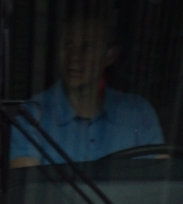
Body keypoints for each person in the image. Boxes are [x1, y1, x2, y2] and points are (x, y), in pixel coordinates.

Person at [11, 11, 165, 167]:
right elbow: (26, 186)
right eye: (68, 45)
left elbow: (159, 181)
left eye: (86, 47)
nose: (74, 57)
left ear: (110, 56)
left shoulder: (138, 112)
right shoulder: (32, 114)